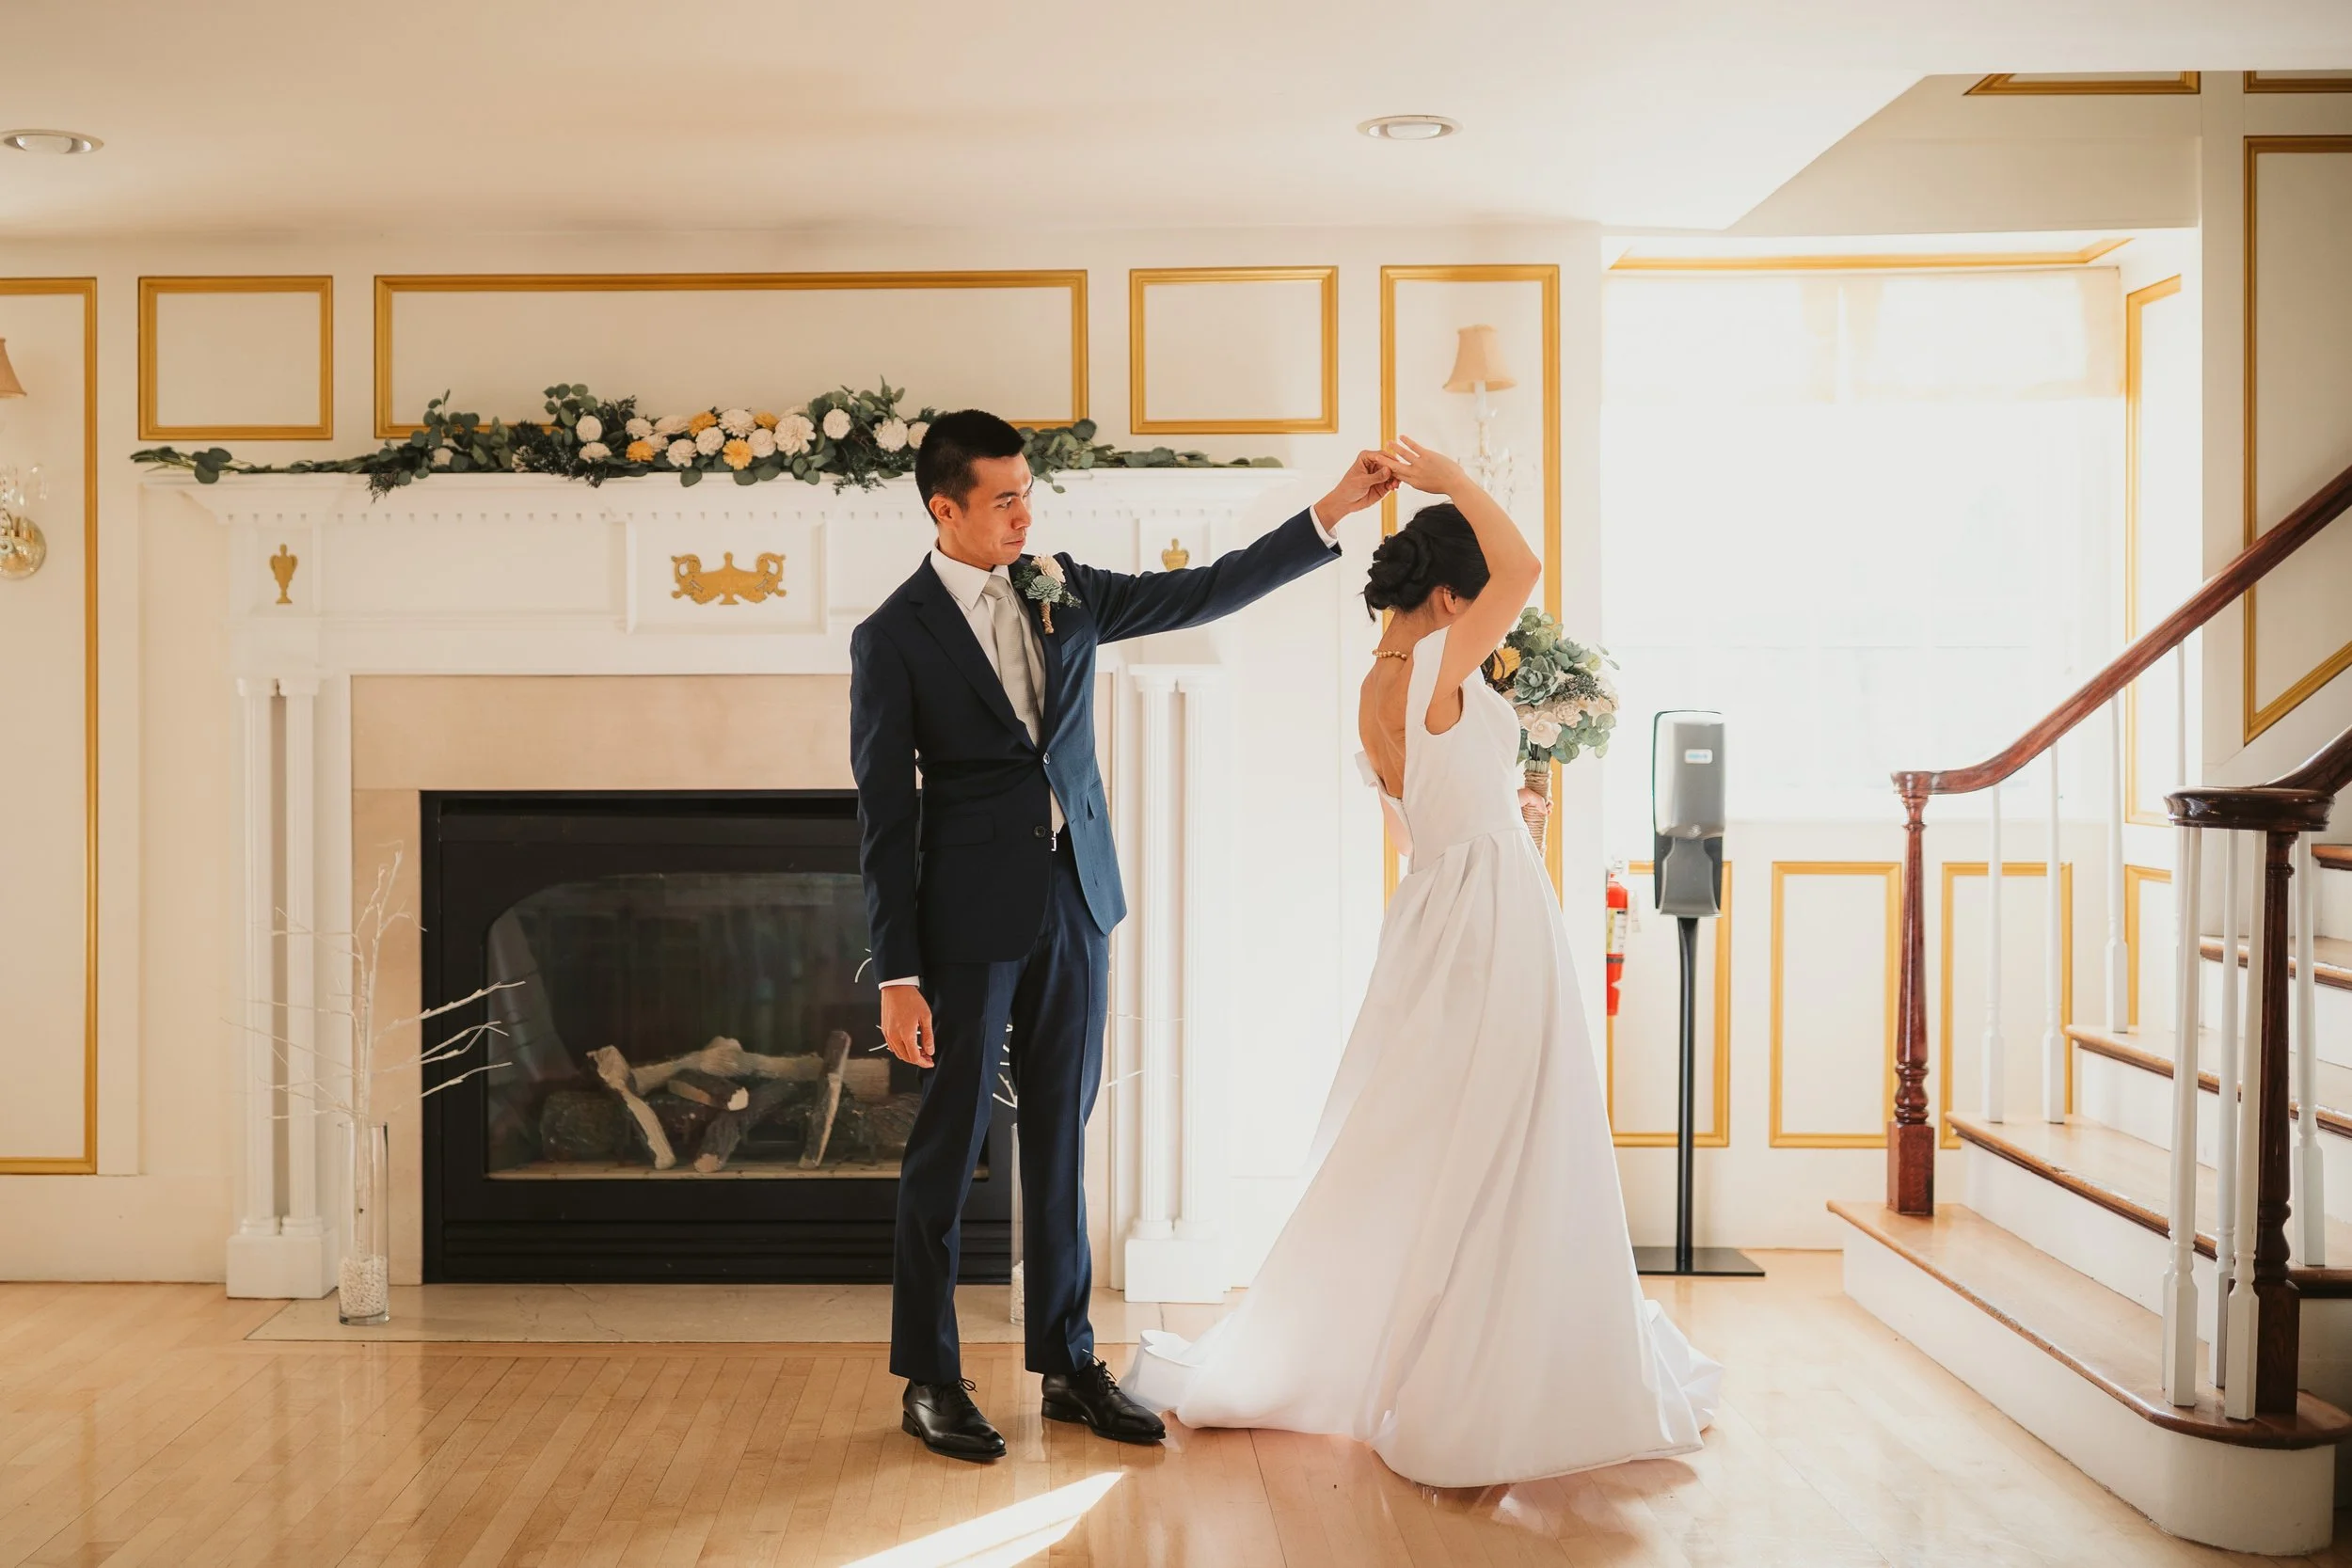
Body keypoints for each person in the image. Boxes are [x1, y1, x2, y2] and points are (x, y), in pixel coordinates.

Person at [1124, 436, 1722, 1488]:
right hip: (1492, 912)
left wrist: (1503, 803)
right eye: (1481, 606)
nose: (1496, 624)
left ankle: (1438, 1337)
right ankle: (1497, 1363)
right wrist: (1452, 480)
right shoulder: (1447, 660)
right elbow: (1525, 568)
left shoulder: (1376, 684)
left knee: (1451, 1127)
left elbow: (1419, 821)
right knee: (1519, 1123)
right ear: (1451, 597)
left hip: (1441, 901)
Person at [849, 408, 1397, 1461]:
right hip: (961, 923)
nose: (1025, 511)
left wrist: (1331, 510)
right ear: (944, 508)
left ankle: (1065, 1363)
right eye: (1003, 497)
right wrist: (900, 971)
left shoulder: (1063, 586)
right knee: (948, 1147)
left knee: (1062, 1135)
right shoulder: (894, 635)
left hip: (1074, 900)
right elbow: (886, 812)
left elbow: (1203, 588)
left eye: (1027, 491)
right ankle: (929, 1374)